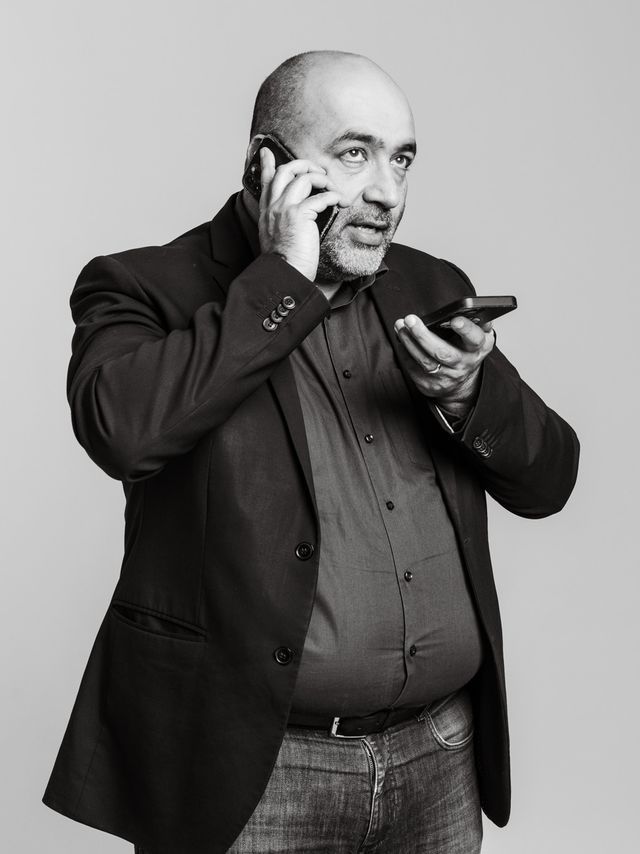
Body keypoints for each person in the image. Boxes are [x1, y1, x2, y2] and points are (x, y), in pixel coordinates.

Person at [42, 51, 579, 853]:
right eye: (355, 154)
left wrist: (468, 395)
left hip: (438, 755)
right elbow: (122, 430)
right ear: (268, 164)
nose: (388, 193)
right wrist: (282, 279)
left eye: (402, 159)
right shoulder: (143, 286)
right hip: (254, 772)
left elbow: (551, 479)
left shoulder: (428, 285)